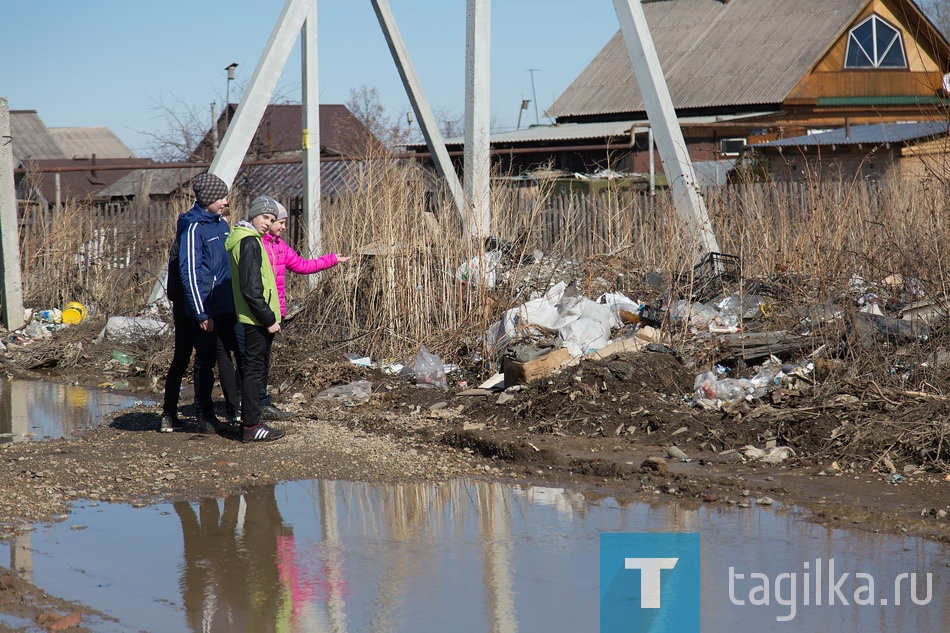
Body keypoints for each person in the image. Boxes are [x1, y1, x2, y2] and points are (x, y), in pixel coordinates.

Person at [257, 196, 351, 419]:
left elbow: (301, 266)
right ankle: (251, 403)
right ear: (267, 221)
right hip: (257, 311)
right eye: (280, 222)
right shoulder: (255, 243)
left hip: (275, 311)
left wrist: (331, 260)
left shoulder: (280, 246)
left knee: (263, 359)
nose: (283, 227)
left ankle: (259, 401)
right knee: (253, 360)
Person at [177, 172, 242, 434]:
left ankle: (236, 407)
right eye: (220, 197)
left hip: (228, 303)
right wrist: (201, 313)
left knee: (236, 353)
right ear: (207, 199)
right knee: (206, 358)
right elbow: (190, 272)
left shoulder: (221, 224)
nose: (226, 201)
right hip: (207, 306)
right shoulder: (194, 228)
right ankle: (204, 412)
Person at [225, 198, 285, 442]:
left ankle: (250, 420)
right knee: (253, 371)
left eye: (271, 219)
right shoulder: (249, 242)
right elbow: (251, 288)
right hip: (256, 318)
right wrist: (268, 318)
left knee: (251, 369)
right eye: (265, 218)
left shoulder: (246, 239)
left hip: (253, 316)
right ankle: (251, 425)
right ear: (254, 216)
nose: (267, 223)